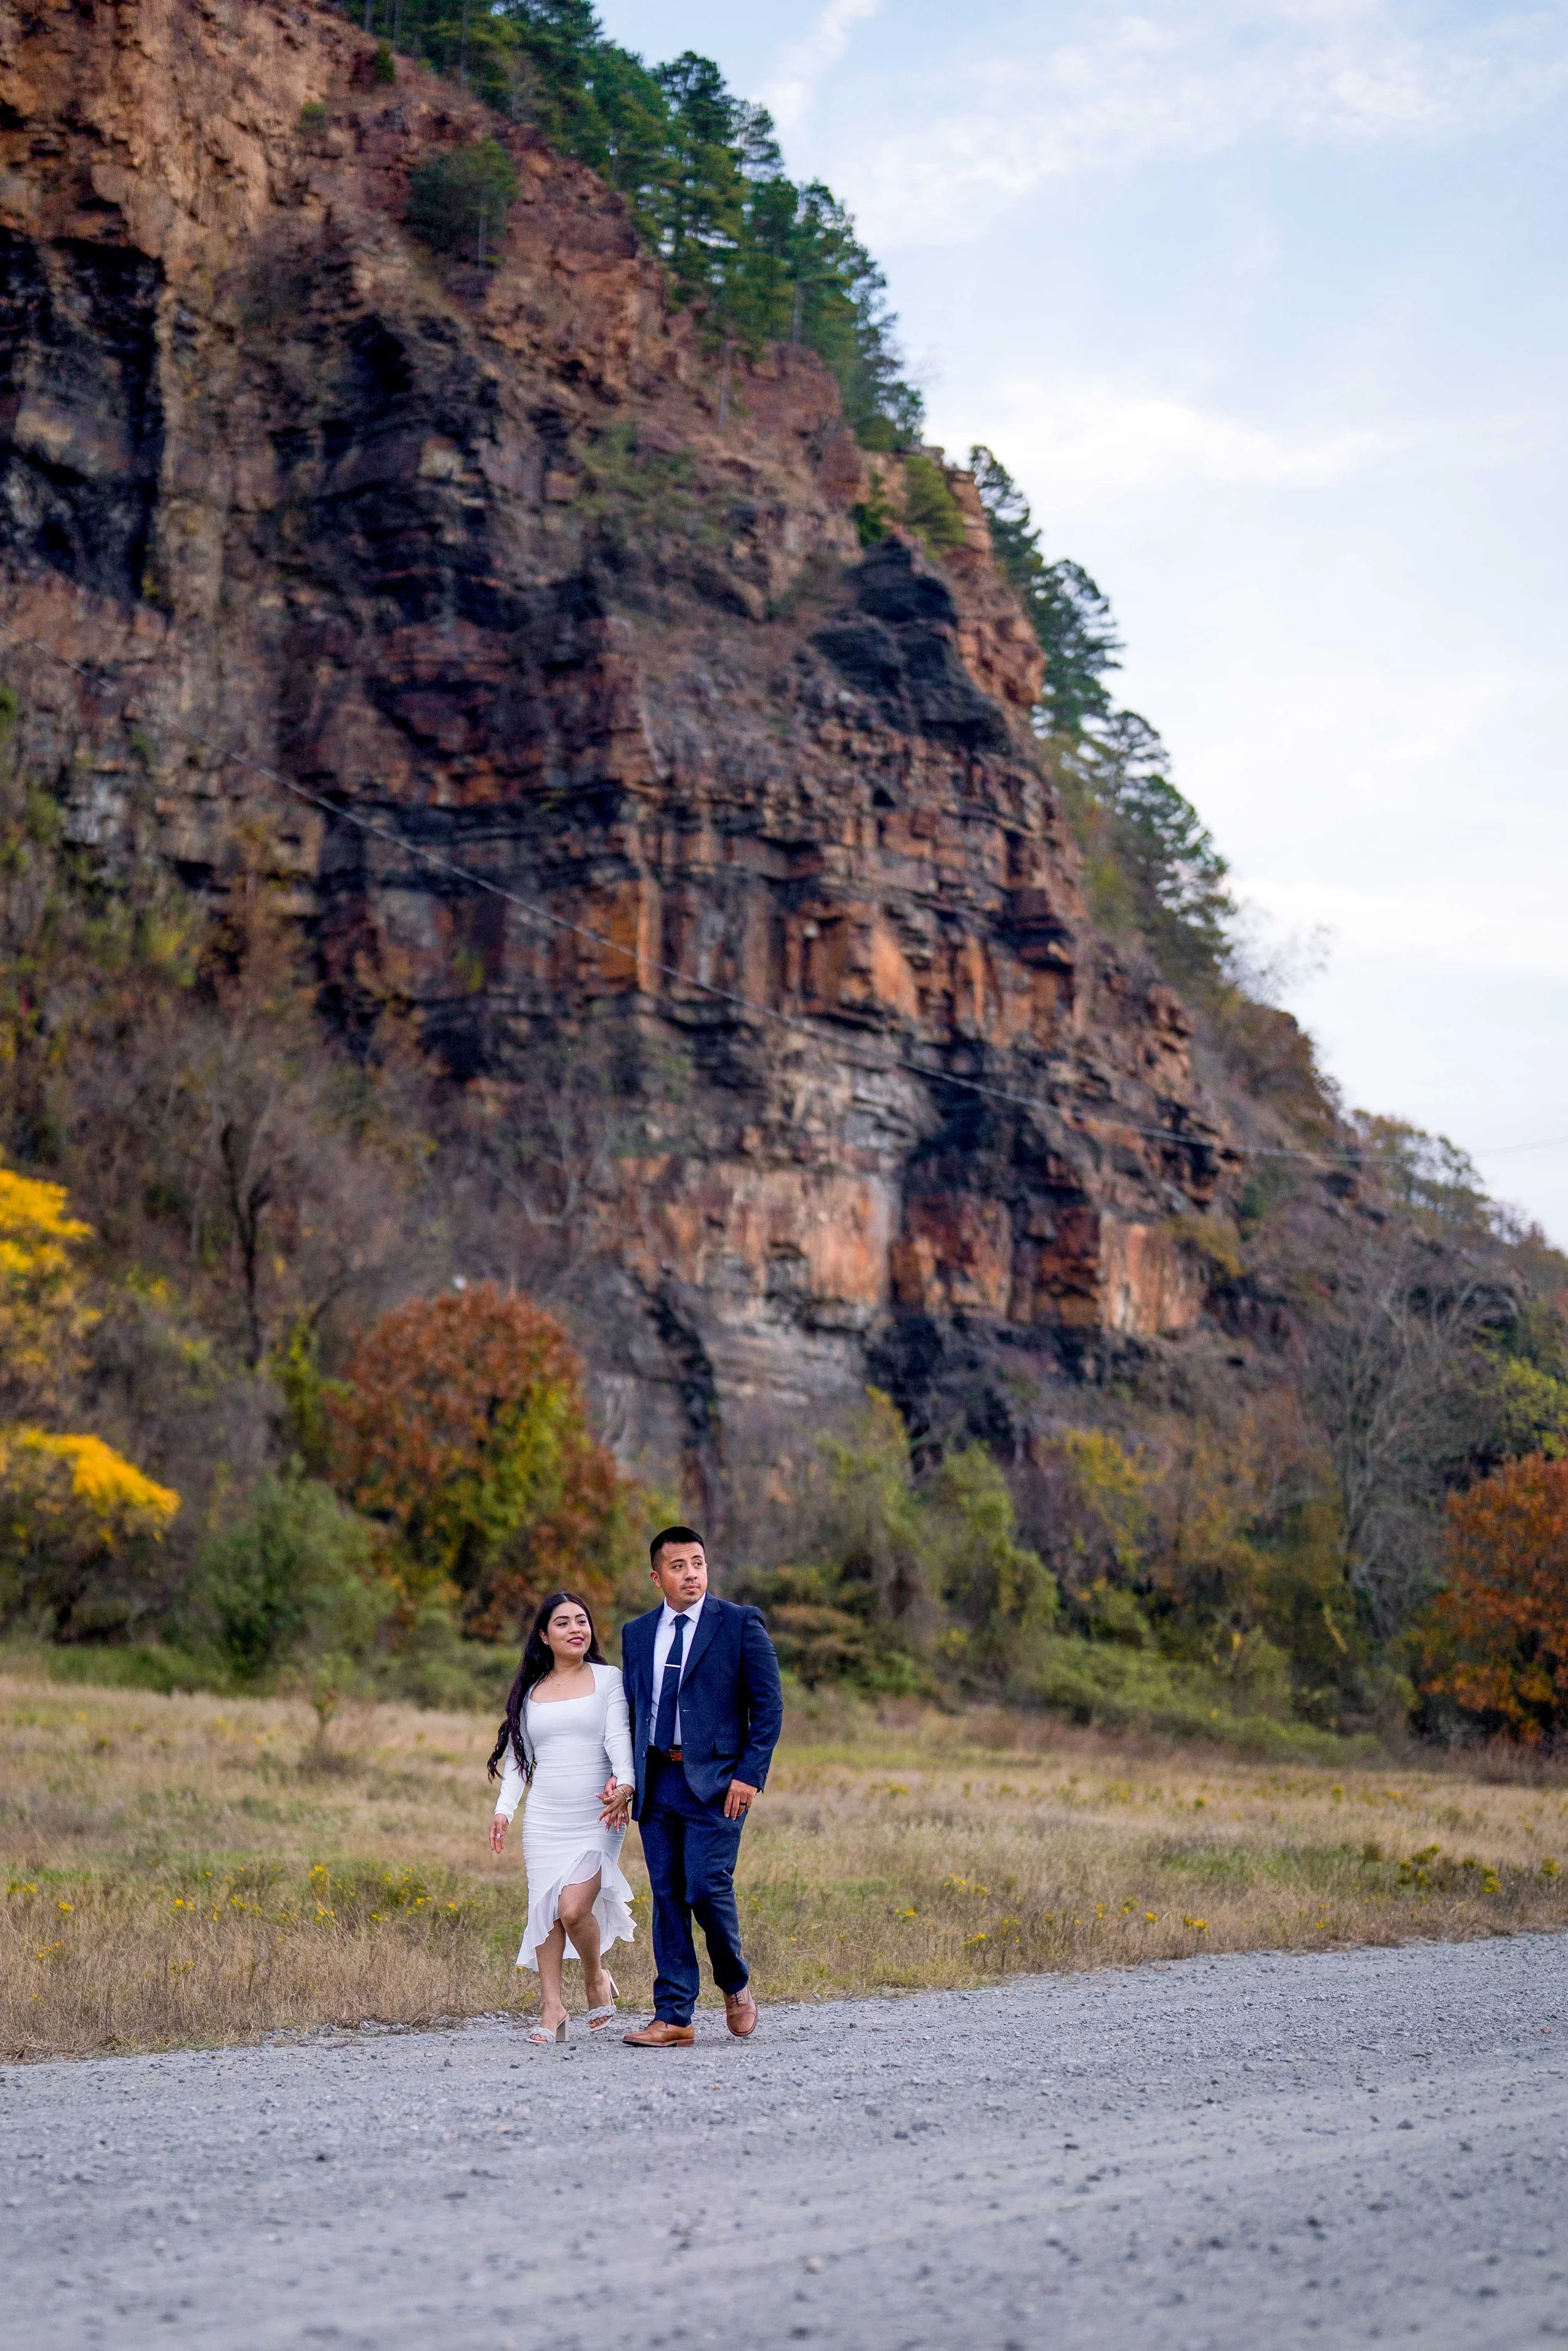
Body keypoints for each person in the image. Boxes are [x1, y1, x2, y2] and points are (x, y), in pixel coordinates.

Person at [613, 1524, 783, 2048]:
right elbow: (632, 1709)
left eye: (698, 1564)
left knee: (706, 1886)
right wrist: (623, 1777)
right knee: (667, 1896)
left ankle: (734, 1983)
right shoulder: (637, 1634)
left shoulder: (738, 1624)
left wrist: (749, 1776)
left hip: (717, 1784)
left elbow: (769, 1707)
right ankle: (675, 2016)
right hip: (658, 1780)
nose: (691, 1574)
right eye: (679, 1566)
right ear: (657, 1576)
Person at [488, 1589, 635, 2045]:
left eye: (582, 1621)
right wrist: (504, 1811)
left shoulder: (609, 1680)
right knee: (545, 1911)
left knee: (573, 1909)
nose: (576, 1629)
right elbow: (520, 1760)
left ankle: (595, 1977)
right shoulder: (531, 1693)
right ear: (544, 1636)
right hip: (546, 1815)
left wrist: (626, 1786)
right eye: (564, 1623)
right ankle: (552, 2008)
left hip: (598, 1812)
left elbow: (619, 1738)